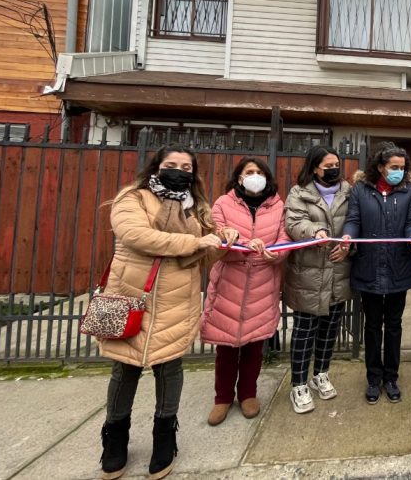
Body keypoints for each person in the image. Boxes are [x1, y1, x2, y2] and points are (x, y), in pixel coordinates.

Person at [98, 145, 238, 480]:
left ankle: (165, 437)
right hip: (131, 296)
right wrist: (195, 243)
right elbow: (136, 236)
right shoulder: (133, 198)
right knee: (124, 370)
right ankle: (114, 437)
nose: (179, 170)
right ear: (156, 167)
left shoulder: (197, 208)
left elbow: (203, 258)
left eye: (186, 166)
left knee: (170, 368)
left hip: (177, 299)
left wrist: (222, 242)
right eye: (171, 164)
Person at [201, 158, 289, 426]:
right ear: (238, 177)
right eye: (249, 172)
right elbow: (214, 234)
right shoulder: (223, 203)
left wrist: (276, 253)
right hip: (230, 280)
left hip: (263, 281)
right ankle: (223, 397)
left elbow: (285, 237)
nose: (255, 176)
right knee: (226, 345)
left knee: (254, 344)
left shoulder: (278, 205)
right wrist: (230, 239)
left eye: (259, 172)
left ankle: (248, 393)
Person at [342, 142, 411, 405]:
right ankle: (372, 378)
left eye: (402, 168)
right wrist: (348, 236)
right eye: (393, 167)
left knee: (394, 325)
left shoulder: (409, 191)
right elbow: (353, 219)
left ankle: (391, 376)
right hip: (369, 266)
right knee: (372, 325)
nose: (398, 172)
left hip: (398, 266)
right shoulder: (361, 190)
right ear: (380, 167)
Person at [283, 146, 352, 414]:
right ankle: (299, 384)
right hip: (308, 275)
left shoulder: (349, 191)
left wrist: (348, 245)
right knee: (303, 333)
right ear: (314, 168)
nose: (334, 169)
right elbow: (293, 223)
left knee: (329, 330)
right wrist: (316, 231)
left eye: (337, 164)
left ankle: (321, 373)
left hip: (337, 271)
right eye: (328, 165)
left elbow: (355, 224)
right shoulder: (299, 193)